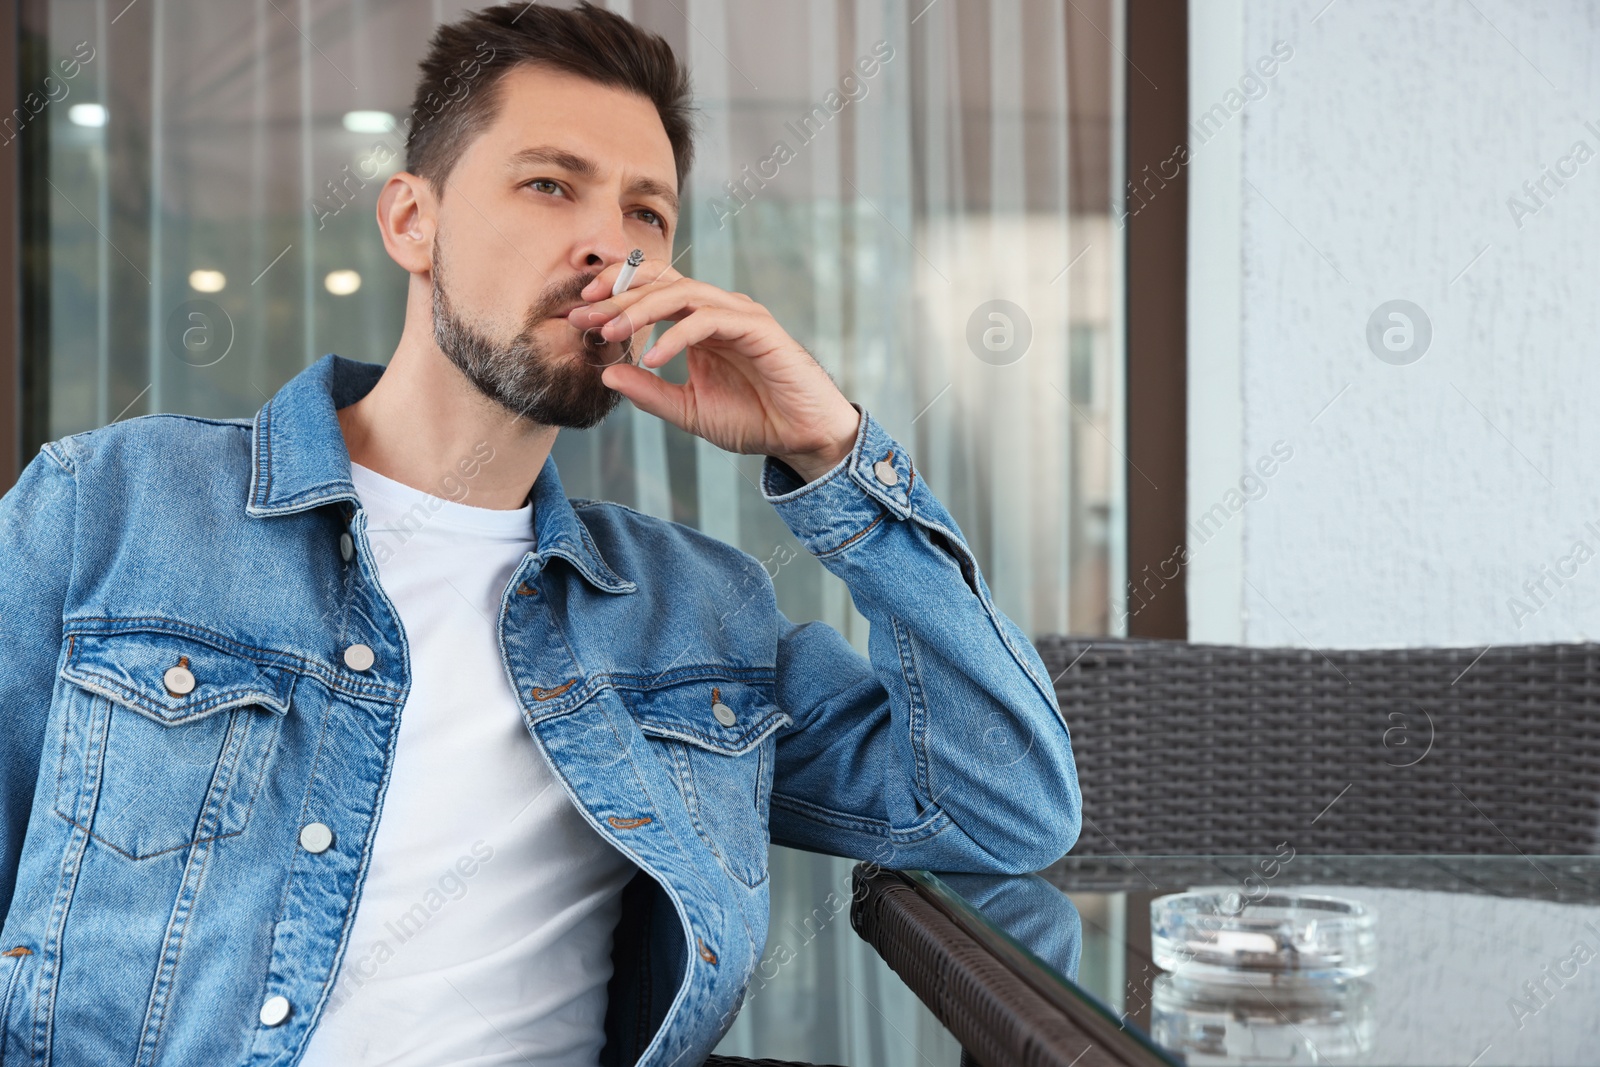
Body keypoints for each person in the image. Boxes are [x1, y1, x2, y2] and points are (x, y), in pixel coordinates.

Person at [0, 4, 1080, 1065]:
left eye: (647, 214)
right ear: (409, 221)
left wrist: (828, 449)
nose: (609, 247)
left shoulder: (692, 612)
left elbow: (1000, 809)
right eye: (549, 184)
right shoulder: (114, 505)